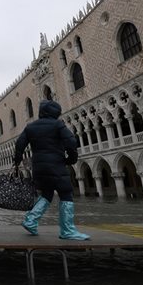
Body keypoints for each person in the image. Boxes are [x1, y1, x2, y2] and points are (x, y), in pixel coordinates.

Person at [13, 100, 90, 240]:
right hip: (56, 165)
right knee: (66, 193)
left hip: (38, 166)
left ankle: (30, 220)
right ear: (55, 112)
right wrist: (71, 158)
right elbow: (71, 141)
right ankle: (67, 231)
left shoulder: (31, 127)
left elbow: (19, 144)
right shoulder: (58, 125)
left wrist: (17, 162)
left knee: (47, 194)